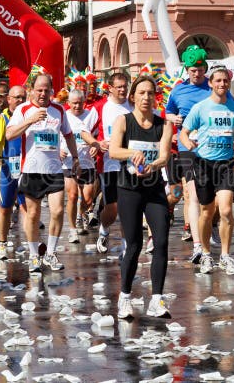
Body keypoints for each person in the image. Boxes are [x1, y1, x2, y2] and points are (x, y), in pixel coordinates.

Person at [110, 75, 174, 319]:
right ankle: (125, 296)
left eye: (150, 93)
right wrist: (132, 152)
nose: (146, 97)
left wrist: (153, 165)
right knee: (134, 244)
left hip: (154, 188)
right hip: (129, 190)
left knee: (162, 241)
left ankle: (156, 299)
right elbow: (114, 151)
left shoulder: (163, 125)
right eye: (141, 93)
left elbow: (164, 156)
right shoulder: (123, 121)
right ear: (133, 96)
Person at [5, 73, 79, 273]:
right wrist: (29, 120)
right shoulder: (23, 109)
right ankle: (33, 255)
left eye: (47, 90)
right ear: (31, 90)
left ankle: (51, 253)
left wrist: (75, 157)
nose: (43, 94)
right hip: (31, 169)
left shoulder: (59, 110)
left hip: (53, 170)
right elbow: (9, 134)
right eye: (39, 90)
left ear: (52, 91)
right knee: (34, 215)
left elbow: (69, 135)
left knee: (57, 211)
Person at [179, 66, 234, 275]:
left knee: (225, 210)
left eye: (225, 81)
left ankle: (225, 255)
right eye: (218, 81)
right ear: (210, 83)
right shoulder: (201, 107)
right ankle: (206, 253)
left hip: (225, 164)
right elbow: (184, 132)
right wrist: (188, 143)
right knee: (207, 211)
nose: (222, 84)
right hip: (204, 163)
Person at [165, 45, 212, 260]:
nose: (197, 73)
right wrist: (172, 119)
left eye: (200, 69)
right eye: (193, 69)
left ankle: (208, 231)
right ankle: (197, 245)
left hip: (213, 149)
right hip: (188, 148)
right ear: (187, 69)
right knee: (192, 195)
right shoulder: (178, 90)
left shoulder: (213, 88)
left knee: (212, 200)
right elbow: (168, 112)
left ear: (205, 68)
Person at [79, 73, 132, 254]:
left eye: (125, 86)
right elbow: (84, 131)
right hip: (108, 163)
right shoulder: (101, 107)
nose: (123, 90)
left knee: (128, 205)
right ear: (110, 88)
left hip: (131, 162)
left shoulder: (133, 105)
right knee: (113, 207)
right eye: (119, 87)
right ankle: (104, 229)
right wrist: (96, 143)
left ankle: (127, 246)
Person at [0, 84, 28, 260]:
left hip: (27, 166)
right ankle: (2, 243)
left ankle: (30, 244)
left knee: (27, 207)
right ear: (8, 99)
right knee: (5, 208)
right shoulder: (0, 119)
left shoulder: (30, 116)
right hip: (7, 167)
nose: (20, 101)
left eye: (23, 97)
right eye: (17, 97)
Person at [61, 89, 99, 244]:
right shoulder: (64, 116)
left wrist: (95, 145)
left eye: (80, 102)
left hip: (87, 161)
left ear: (84, 102)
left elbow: (97, 135)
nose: (77, 106)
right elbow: (55, 134)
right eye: (74, 103)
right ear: (68, 103)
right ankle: (72, 229)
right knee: (72, 196)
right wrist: (58, 150)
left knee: (89, 197)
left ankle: (81, 213)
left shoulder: (91, 115)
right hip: (68, 161)